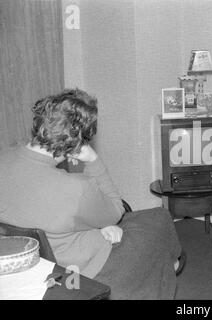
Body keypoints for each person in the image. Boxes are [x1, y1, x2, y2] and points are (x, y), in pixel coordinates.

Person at [0, 89, 183, 299]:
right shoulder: (75, 188)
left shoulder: (3, 157)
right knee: (159, 218)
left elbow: (40, 209)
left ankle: (166, 262)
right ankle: (169, 263)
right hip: (83, 270)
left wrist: (99, 226)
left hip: (39, 261)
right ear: (78, 141)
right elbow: (117, 209)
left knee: (138, 223)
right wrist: (93, 160)